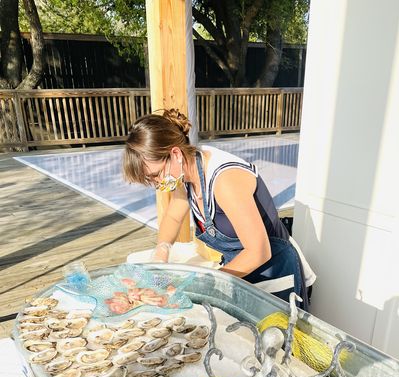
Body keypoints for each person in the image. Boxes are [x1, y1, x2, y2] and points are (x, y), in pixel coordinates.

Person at [123, 109, 315, 310]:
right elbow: (172, 217)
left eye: (155, 175)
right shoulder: (186, 174)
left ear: (175, 154)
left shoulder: (225, 180)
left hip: (274, 271)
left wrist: (207, 283)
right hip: (238, 272)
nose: (156, 183)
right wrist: (161, 253)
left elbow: (259, 251)